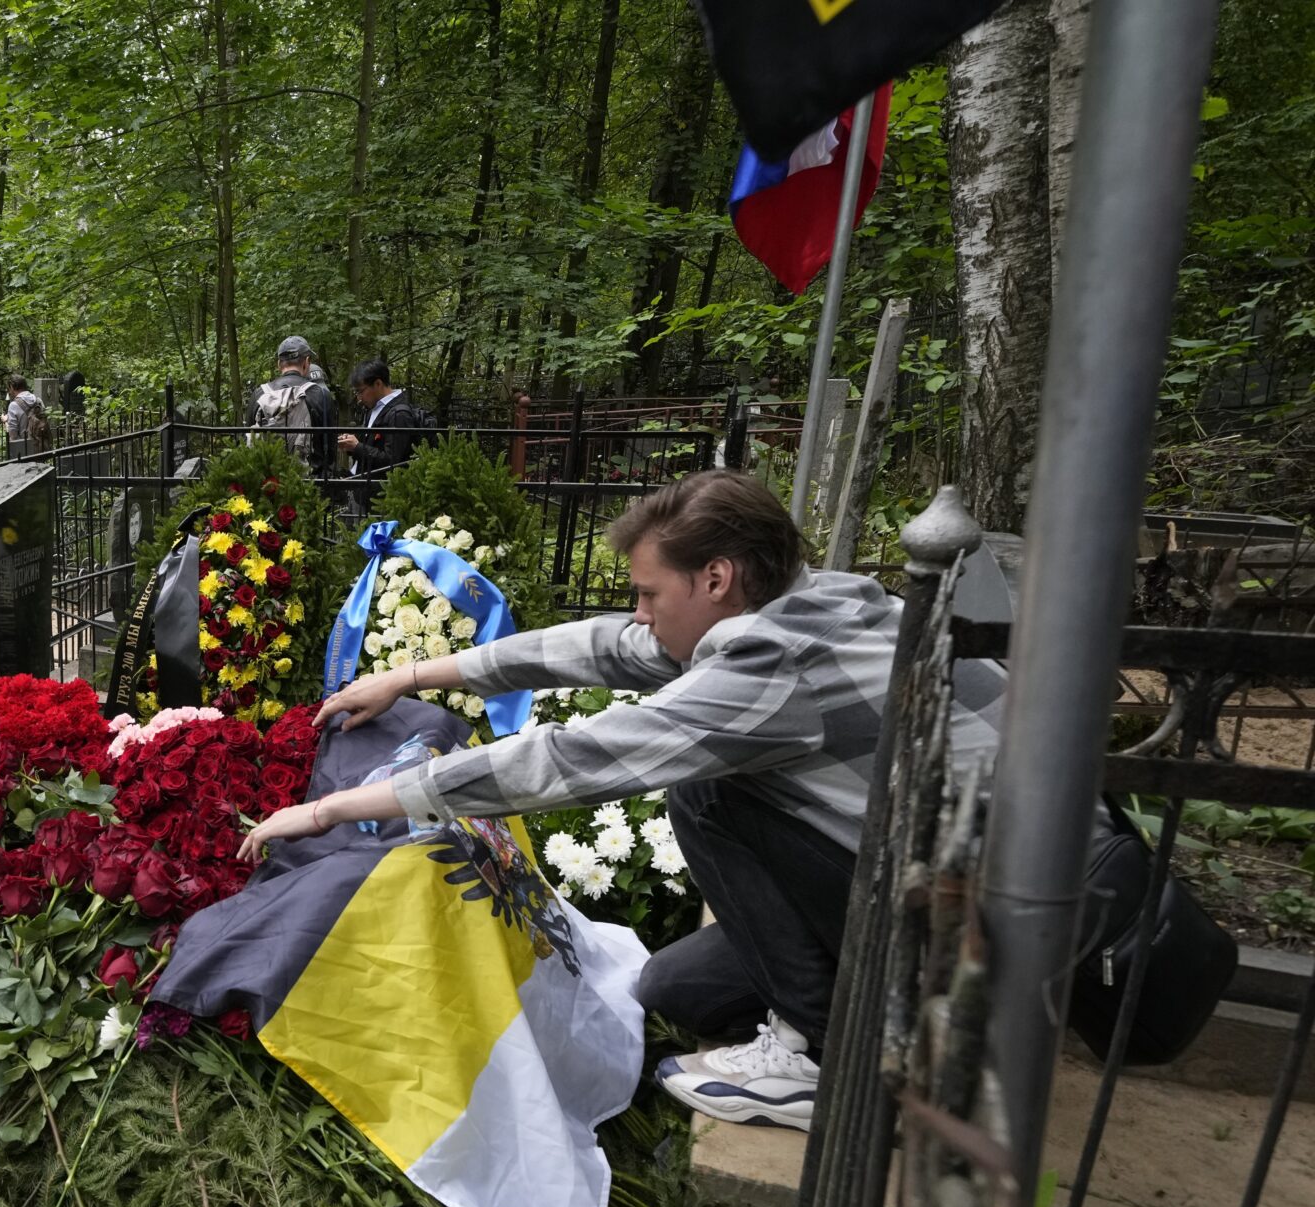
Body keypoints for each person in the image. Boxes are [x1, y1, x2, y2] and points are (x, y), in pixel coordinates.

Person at [237, 470, 1007, 1133]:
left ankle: (830, 1058)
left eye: (648, 593)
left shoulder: (776, 662)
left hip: (981, 917)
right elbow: (603, 646)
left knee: (707, 789)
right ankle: (847, 1009)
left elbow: (573, 760)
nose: (639, 613)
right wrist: (408, 677)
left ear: (715, 578)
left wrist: (333, 809)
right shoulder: (798, 602)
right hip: (922, 868)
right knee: (675, 991)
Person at [244, 336, 339, 475]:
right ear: (307, 362)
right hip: (310, 482)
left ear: (279, 364)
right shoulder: (321, 395)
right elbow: (329, 448)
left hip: (267, 481)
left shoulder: (259, 394)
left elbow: (246, 441)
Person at [335, 359, 431, 476]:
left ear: (378, 384)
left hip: (378, 485)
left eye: (360, 391)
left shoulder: (400, 414)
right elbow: (371, 445)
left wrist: (357, 447)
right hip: (360, 479)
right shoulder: (374, 408)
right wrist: (351, 444)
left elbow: (392, 462)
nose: (359, 398)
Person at [2, 375, 49, 458]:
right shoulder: (38, 400)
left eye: (9, 388)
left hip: (23, 451)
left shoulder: (13, 405)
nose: (9, 391)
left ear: (12, 387)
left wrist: (6, 422)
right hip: (39, 447)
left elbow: (13, 435)